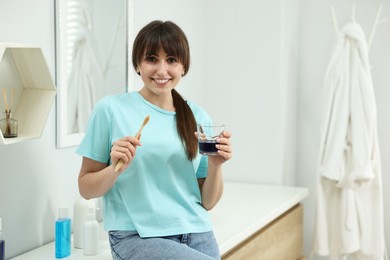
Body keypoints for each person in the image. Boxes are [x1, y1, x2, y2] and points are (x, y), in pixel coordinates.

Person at [76, 20, 233, 260]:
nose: (162, 70)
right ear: (138, 64)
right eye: (151, 59)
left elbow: (208, 202)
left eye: (171, 60)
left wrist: (216, 165)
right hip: (137, 237)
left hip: (198, 233)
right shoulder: (110, 109)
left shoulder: (198, 117)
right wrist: (115, 168)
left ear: (183, 67)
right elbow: (86, 189)